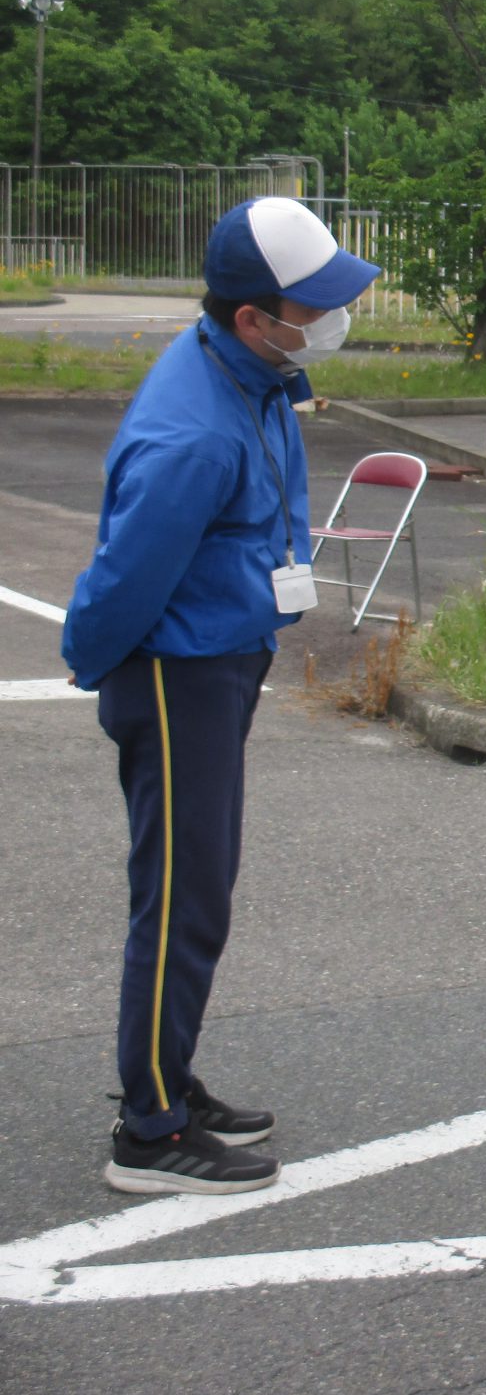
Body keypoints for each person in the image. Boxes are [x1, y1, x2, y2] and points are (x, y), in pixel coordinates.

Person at [62, 197, 379, 1193]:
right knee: (185, 896)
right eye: (311, 306)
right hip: (176, 674)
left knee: (194, 885)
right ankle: (148, 1135)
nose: (329, 321)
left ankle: (168, 1075)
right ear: (254, 316)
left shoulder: (251, 373)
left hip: (218, 657)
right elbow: (124, 581)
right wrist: (97, 663)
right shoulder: (196, 431)